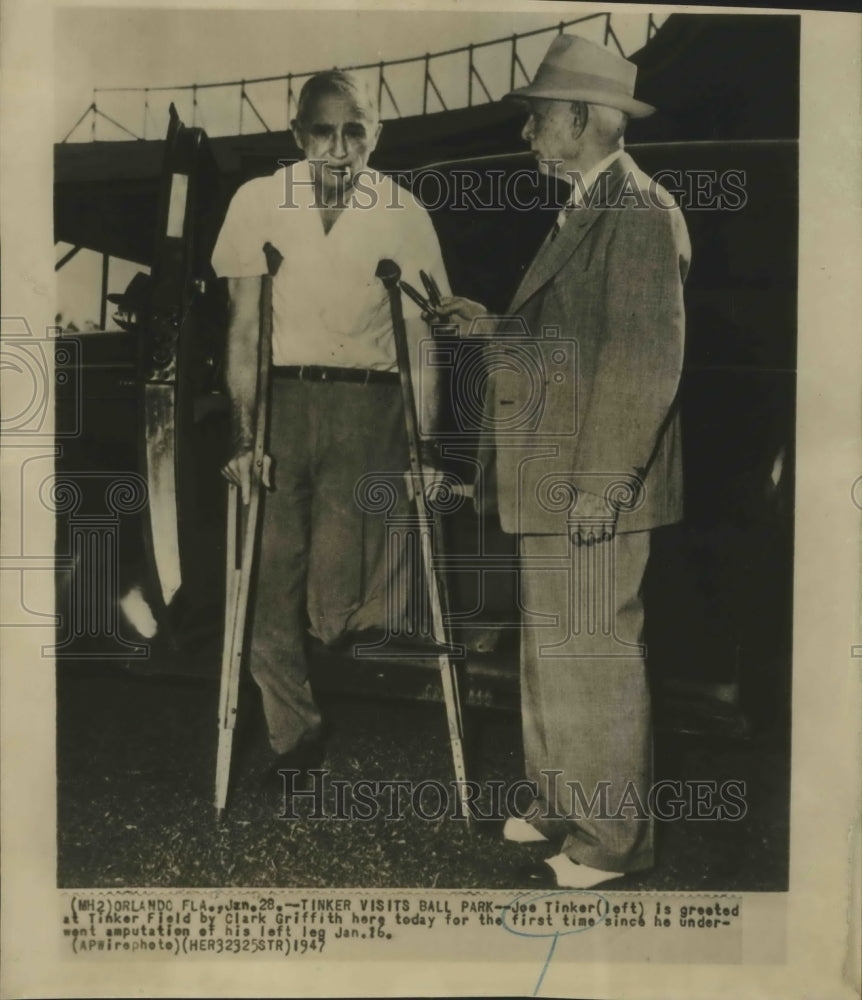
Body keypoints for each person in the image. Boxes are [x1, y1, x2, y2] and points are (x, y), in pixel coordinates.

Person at [435, 34, 690, 888]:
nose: (529, 135)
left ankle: (613, 840)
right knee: (550, 648)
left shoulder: (640, 211)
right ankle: (557, 803)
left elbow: (644, 361)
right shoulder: (588, 207)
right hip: (552, 475)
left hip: (590, 483)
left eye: (539, 118)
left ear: (581, 118)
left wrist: (604, 486)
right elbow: (571, 342)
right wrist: (495, 330)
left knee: (596, 653)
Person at [211, 69, 449, 783]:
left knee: (335, 606)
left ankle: (350, 622)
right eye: (324, 131)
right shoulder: (257, 202)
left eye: (356, 132)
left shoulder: (402, 211)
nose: (340, 148)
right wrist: (244, 441)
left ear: (374, 136)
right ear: (297, 135)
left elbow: (421, 340)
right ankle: (294, 732)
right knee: (264, 581)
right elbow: (244, 326)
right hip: (283, 404)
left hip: (365, 408)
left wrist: (425, 447)